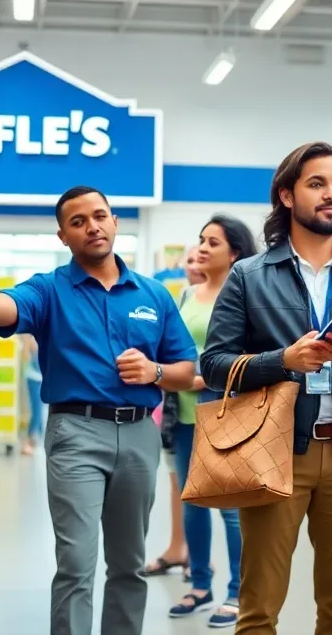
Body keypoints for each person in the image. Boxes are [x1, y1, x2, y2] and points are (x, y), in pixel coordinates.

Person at [0, 185, 200, 635]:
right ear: (63, 236)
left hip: (138, 437)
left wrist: (154, 371)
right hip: (76, 432)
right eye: (78, 222)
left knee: (129, 562)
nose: (92, 226)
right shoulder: (50, 290)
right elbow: (3, 305)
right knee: (76, 564)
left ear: (114, 221)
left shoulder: (153, 295)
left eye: (99, 216)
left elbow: (184, 369)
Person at [201, 141, 332, 635]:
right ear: (287, 196)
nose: (331, 195)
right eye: (317, 183)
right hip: (273, 451)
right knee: (259, 606)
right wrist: (283, 361)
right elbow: (213, 365)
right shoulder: (249, 276)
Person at [168, 216, 259, 627]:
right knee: (192, 500)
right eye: (200, 240)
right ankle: (199, 584)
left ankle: (238, 592)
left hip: (226, 410)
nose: (201, 248)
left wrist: (201, 378)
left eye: (212, 243)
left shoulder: (244, 295)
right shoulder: (187, 294)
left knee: (229, 507)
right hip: (184, 413)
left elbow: (249, 358)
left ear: (235, 252)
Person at [145, 245, 207, 580]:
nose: (194, 264)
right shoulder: (183, 297)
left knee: (212, 490)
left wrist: (200, 378)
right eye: (190, 259)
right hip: (175, 409)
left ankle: (202, 559)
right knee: (178, 483)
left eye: (201, 257)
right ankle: (178, 548)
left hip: (212, 406)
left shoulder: (230, 295)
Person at [20, 334, 45, 455]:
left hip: (38, 379)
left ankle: (36, 440)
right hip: (35, 379)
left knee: (39, 412)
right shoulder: (33, 339)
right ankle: (28, 442)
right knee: (37, 412)